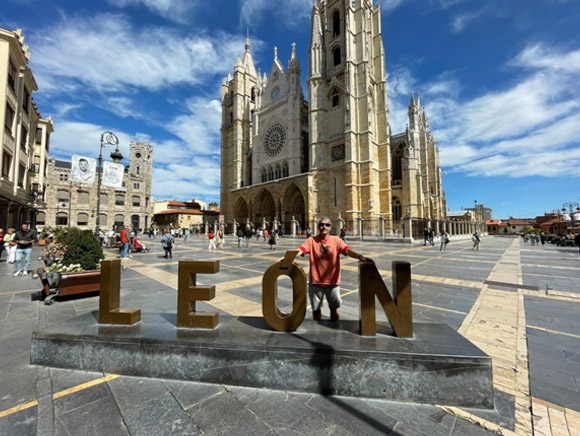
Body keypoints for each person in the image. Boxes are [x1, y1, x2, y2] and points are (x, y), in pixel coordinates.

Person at [288, 217, 370, 322]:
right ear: (318, 227)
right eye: (321, 225)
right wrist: (287, 258)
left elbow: (347, 250)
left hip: (333, 283)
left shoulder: (336, 241)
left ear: (330, 228)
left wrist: (359, 256)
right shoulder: (311, 241)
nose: (324, 227)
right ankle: (317, 330)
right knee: (316, 311)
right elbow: (300, 250)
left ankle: (335, 329)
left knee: (334, 310)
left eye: (327, 225)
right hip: (316, 283)